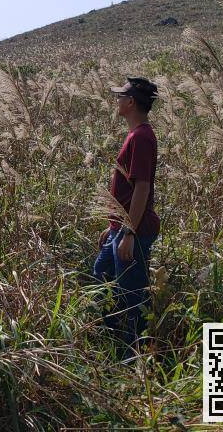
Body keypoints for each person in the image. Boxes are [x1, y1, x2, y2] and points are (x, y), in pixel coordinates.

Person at [93, 76, 160, 360]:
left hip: (135, 230)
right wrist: (113, 228)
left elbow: (142, 187)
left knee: (132, 297)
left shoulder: (142, 137)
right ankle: (112, 344)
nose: (117, 100)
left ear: (131, 102)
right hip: (121, 228)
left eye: (121, 96)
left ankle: (134, 359)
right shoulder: (135, 135)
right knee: (102, 275)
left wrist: (129, 232)